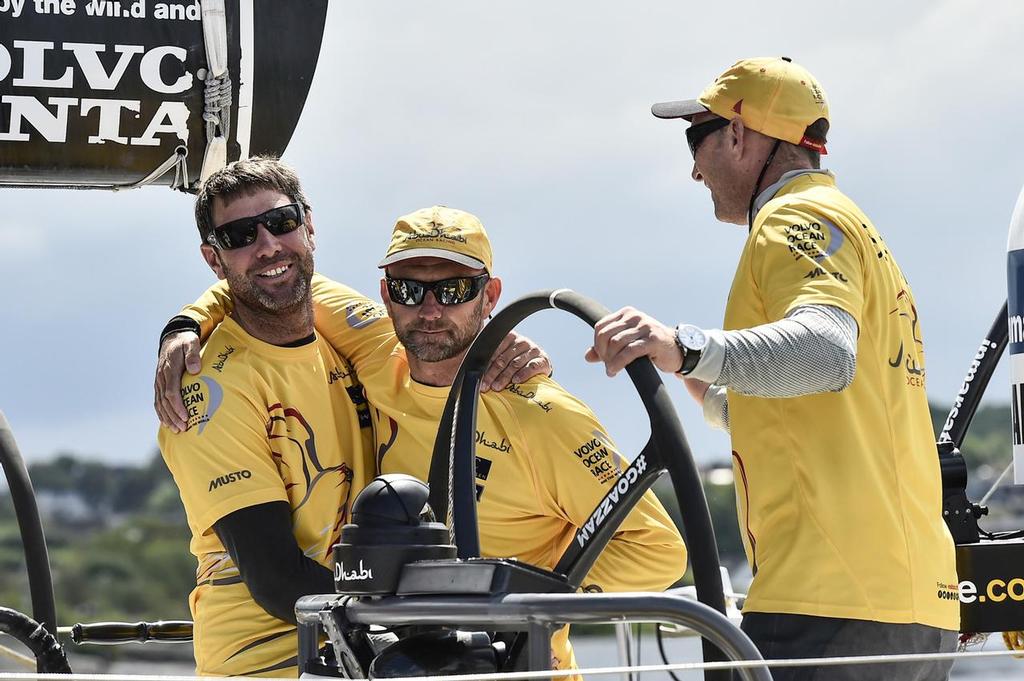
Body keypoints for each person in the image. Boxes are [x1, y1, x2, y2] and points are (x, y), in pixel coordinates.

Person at [158, 205, 687, 674]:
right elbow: (275, 277)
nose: (431, 311)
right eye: (411, 291)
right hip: (388, 657)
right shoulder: (374, 351)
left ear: (491, 296)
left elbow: (659, 552)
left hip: (515, 666)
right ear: (386, 294)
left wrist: (518, 602)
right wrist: (184, 323)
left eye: (454, 291)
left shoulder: (542, 415)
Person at [585, 57, 959, 679]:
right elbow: (808, 407)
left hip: (827, 604)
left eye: (695, 138)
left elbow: (824, 354)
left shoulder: (792, 219)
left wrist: (683, 344)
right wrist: (686, 371)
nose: (693, 168)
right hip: (914, 609)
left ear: (738, 133)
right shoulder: (857, 231)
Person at [157, 157, 376, 677]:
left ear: (309, 225)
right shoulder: (208, 387)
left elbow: (439, 329)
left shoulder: (340, 330)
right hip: (267, 659)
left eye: (281, 223)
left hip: (358, 644)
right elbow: (279, 582)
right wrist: (422, 616)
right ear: (215, 260)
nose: (269, 246)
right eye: (239, 236)